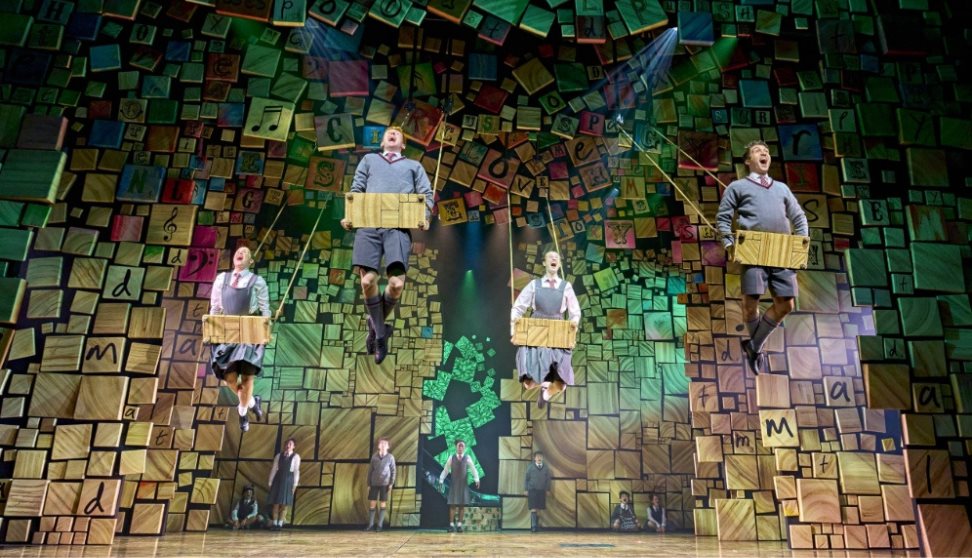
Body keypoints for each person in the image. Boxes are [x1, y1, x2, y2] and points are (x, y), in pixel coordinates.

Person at [340, 126, 433, 365]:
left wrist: (425, 215)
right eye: (388, 133)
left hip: (398, 227)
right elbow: (356, 189)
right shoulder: (369, 159)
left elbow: (426, 193)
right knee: (368, 281)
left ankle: (375, 325)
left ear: (403, 144)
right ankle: (381, 334)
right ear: (382, 142)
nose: (392, 134)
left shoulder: (414, 166)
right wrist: (349, 214)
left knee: (396, 283)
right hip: (369, 225)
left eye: (397, 134)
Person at [716, 140, 808, 375]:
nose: (764, 153)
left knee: (786, 304)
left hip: (782, 252)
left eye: (766, 152)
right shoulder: (737, 187)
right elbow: (723, 218)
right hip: (753, 250)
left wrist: (802, 241)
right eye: (758, 151)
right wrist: (728, 244)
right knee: (750, 306)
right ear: (748, 161)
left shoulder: (782, 189)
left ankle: (754, 346)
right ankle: (755, 348)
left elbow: (798, 216)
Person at [209, 246, 270, 432]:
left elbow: (265, 309)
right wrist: (211, 329)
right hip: (226, 332)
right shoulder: (222, 279)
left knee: (247, 376)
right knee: (229, 377)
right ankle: (252, 401)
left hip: (248, 333)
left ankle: (242, 413)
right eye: (239, 250)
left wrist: (266, 328)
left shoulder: (257, 281)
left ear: (250, 261)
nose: (240, 251)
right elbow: (215, 307)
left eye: (246, 252)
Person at [510, 251, 581, 404]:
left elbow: (575, 312)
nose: (554, 258)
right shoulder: (534, 285)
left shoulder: (566, 286)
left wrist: (574, 323)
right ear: (544, 263)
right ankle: (544, 382)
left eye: (557, 257)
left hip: (558, 333)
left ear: (559, 264)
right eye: (550, 256)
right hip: (537, 331)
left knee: (561, 384)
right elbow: (518, 308)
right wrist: (514, 330)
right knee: (528, 384)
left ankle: (546, 392)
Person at [438, 440, 480, 533]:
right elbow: (445, 470)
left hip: (463, 485)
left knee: (461, 505)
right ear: (456, 447)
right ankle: (451, 525)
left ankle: (459, 525)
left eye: (462, 446)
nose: (460, 448)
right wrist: (441, 480)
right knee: (452, 505)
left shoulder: (467, 458)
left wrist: (477, 479)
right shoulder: (451, 458)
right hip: (454, 484)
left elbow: (473, 469)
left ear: (464, 448)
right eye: (459, 446)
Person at [267, 438, 300, 531]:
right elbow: (274, 469)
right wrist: (270, 481)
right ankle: (274, 523)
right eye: (286, 443)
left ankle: (280, 524)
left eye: (290, 444)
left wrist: (295, 484)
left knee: (284, 504)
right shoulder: (278, 456)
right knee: (276, 503)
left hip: (288, 480)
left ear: (294, 446)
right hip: (278, 480)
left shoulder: (296, 456)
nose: (288, 445)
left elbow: (296, 471)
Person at [364, 438, 396, 532]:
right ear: (378, 446)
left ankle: (380, 525)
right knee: (372, 503)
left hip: (385, 484)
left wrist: (391, 483)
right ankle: (370, 524)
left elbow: (393, 471)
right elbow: (370, 471)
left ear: (388, 446)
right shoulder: (374, 457)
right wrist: (368, 483)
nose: (382, 445)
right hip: (374, 483)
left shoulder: (390, 457)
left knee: (383, 502)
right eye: (381, 443)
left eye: (385, 444)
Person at [523, 451, 552, 532]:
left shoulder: (546, 468)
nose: (539, 458)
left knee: (539, 509)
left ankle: (537, 525)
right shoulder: (530, 467)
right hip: (532, 490)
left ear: (542, 458)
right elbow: (526, 479)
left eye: (540, 456)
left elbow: (548, 480)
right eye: (537, 456)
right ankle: (533, 526)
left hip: (541, 490)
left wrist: (548, 489)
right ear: (534, 458)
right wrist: (525, 489)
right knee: (533, 508)